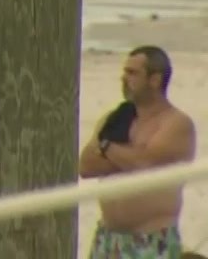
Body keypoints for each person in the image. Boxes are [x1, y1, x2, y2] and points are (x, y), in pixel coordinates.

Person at [78, 46, 195, 258]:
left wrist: (106, 147)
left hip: (150, 240)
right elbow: (86, 166)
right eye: (124, 72)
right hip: (108, 239)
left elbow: (143, 166)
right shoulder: (115, 118)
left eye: (132, 73)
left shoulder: (176, 124)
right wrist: (128, 156)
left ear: (155, 80)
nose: (123, 78)